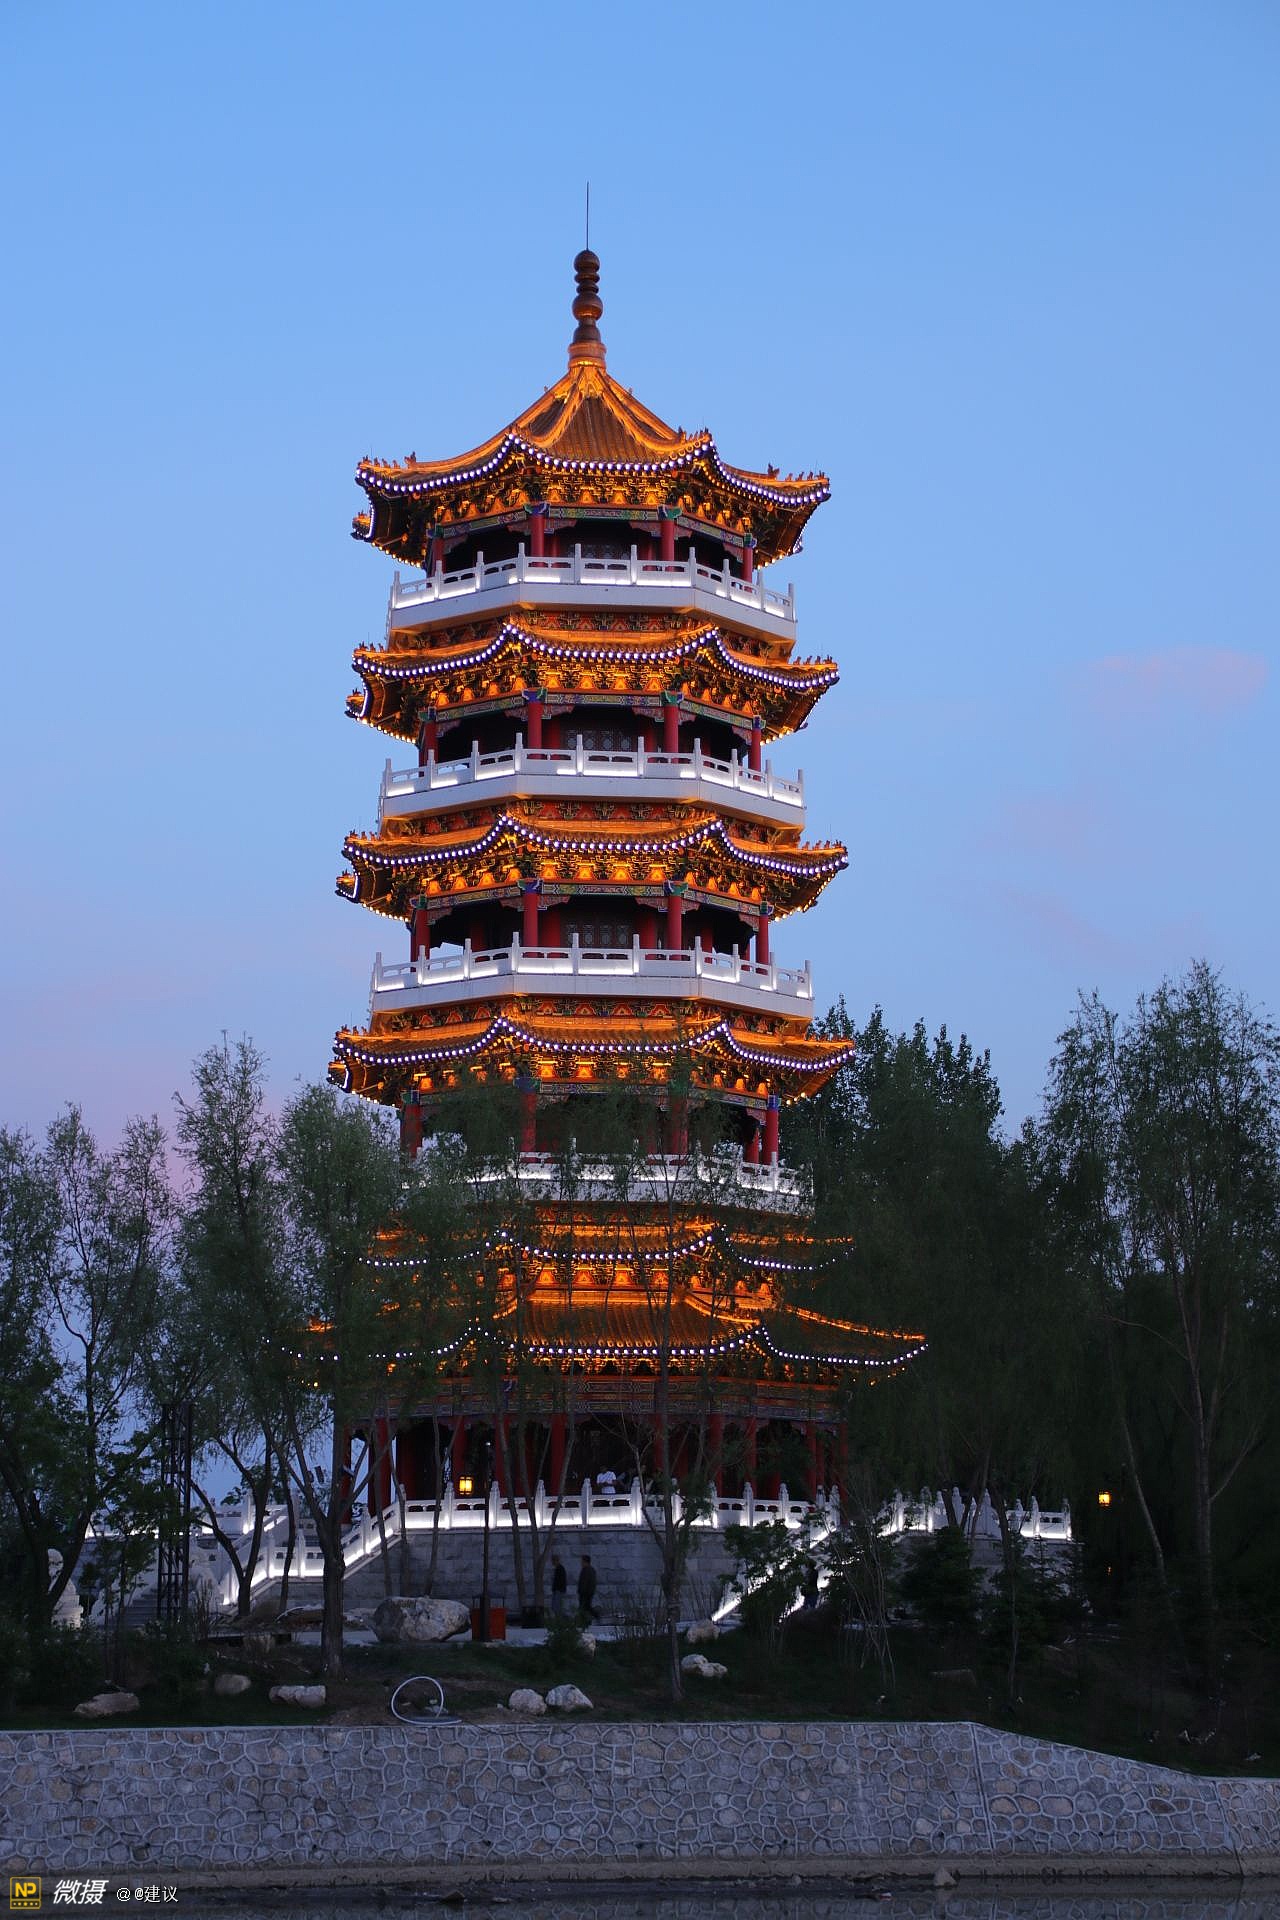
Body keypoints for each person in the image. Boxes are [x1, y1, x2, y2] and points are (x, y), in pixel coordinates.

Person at [577, 1553, 598, 1623]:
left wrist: (581, 1591)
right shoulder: (591, 1570)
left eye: (582, 1561)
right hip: (588, 1592)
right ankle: (585, 1621)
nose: (581, 1563)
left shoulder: (586, 1570)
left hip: (585, 1593)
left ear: (585, 1561)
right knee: (585, 1607)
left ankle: (595, 1617)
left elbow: (584, 1582)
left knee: (584, 1607)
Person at [550, 1553, 567, 1618]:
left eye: (552, 1561)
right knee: (555, 1607)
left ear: (555, 1561)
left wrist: (557, 1589)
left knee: (557, 1607)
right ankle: (559, 1619)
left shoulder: (560, 1568)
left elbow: (561, 1580)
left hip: (558, 1590)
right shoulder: (558, 1568)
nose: (552, 1563)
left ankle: (561, 1619)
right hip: (557, 1590)